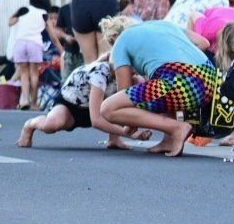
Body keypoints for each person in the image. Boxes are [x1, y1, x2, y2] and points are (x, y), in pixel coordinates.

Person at [98, 7, 234, 157]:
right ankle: (168, 140)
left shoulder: (121, 42)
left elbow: (124, 92)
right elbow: (204, 43)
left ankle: (176, 128)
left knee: (108, 108)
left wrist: (130, 124)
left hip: (180, 83)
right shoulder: (164, 24)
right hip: (209, 82)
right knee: (160, 82)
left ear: (114, 36)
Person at [17, 13, 146, 149]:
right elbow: (96, 120)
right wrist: (131, 134)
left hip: (99, 105)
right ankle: (30, 124)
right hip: (71, 105)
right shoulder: (100, 70)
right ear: (117, 39)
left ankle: (113, 139)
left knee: (135, 83)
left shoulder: (128, 65)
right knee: (52, 124)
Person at [7, 0, 54, 111]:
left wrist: (16, 15)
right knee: (34, 73)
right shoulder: (44, 13)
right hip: (34, 44)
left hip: (20, 43)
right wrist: (60, 48)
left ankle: (24, 101)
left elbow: (10, 22)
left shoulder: (24, 9)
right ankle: (34, 103)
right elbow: (52, 34)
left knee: (23, 73)